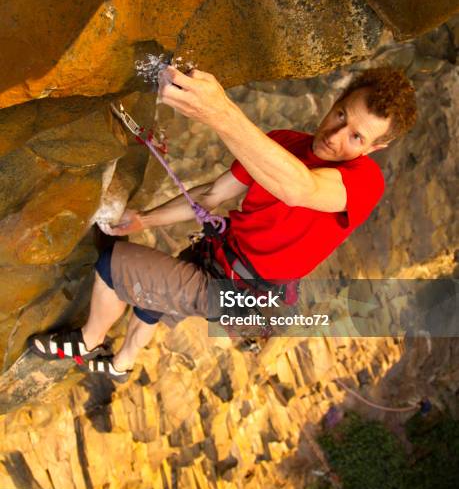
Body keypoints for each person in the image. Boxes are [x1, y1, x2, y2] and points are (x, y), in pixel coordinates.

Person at [28, 66, 416, 382]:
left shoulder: (363, 181)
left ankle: (89, 340)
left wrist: (220, 113)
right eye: (341, 114)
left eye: (356, 136)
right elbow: (213, 193)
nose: (334, 136)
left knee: (113, 266)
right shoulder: (282, 143)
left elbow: (300, 188)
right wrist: (143, 219)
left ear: (374, 149)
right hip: (221, 256)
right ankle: (121, 365)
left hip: (243, 292)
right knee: (154, 297)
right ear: (335, 101)